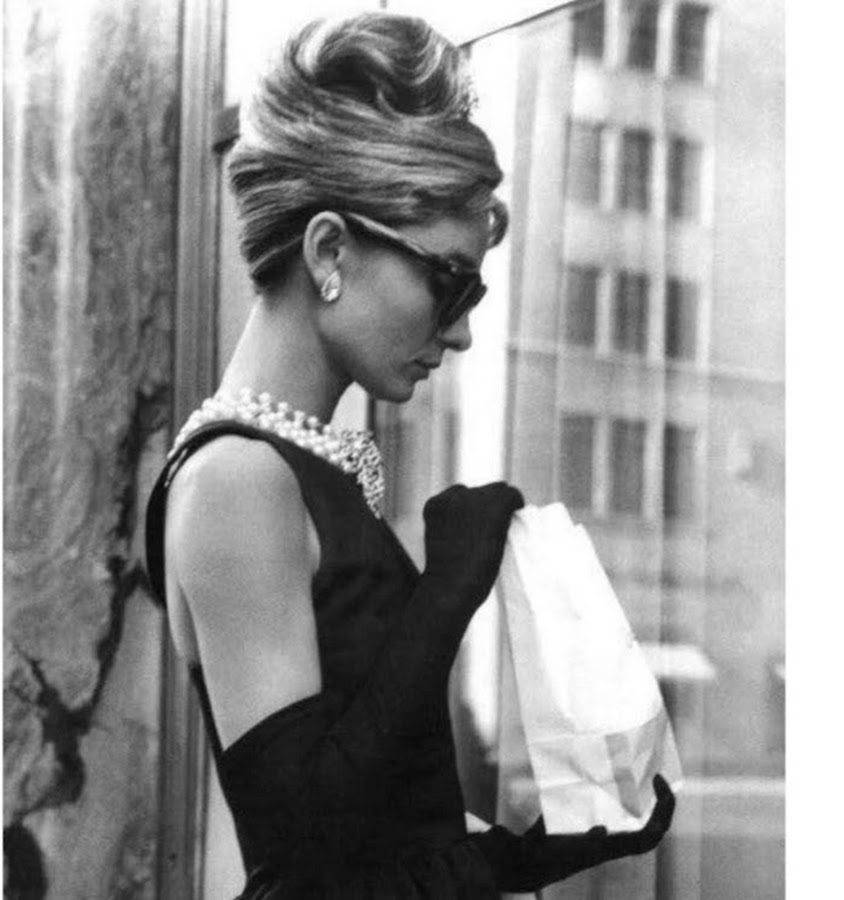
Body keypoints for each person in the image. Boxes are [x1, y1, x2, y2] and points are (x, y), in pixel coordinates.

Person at [146, 12, 674, 898]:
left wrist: (531, 853)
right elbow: (304, 860)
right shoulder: (238, 480)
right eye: (448, 281)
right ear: (329, 249)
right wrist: (446, 592)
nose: (461, 332)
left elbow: (375, 837)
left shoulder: (292, 470)